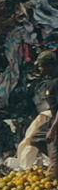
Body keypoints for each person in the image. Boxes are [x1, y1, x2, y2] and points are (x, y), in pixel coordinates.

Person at [34, 50, 58, 178]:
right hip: (53, 119)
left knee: (53, 171)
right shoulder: (52, 81)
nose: (40, 69)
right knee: (36, 138)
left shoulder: (56, 82)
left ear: (50, 66)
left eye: (42, 66)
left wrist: (53, 130)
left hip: (56, 123)